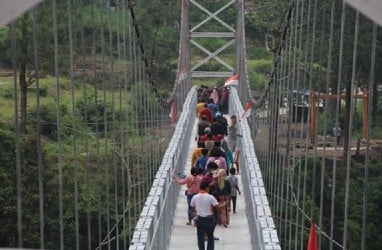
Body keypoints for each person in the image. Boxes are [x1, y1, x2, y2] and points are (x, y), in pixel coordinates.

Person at [191, 181, 223, 250]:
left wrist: (195, 214)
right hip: (209, 219)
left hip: (199, 219)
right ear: (207, 188)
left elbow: (192, 207)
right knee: (210, 237)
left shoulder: (195, 197)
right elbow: (217, 207)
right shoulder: (211, 197)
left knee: (200, 237)